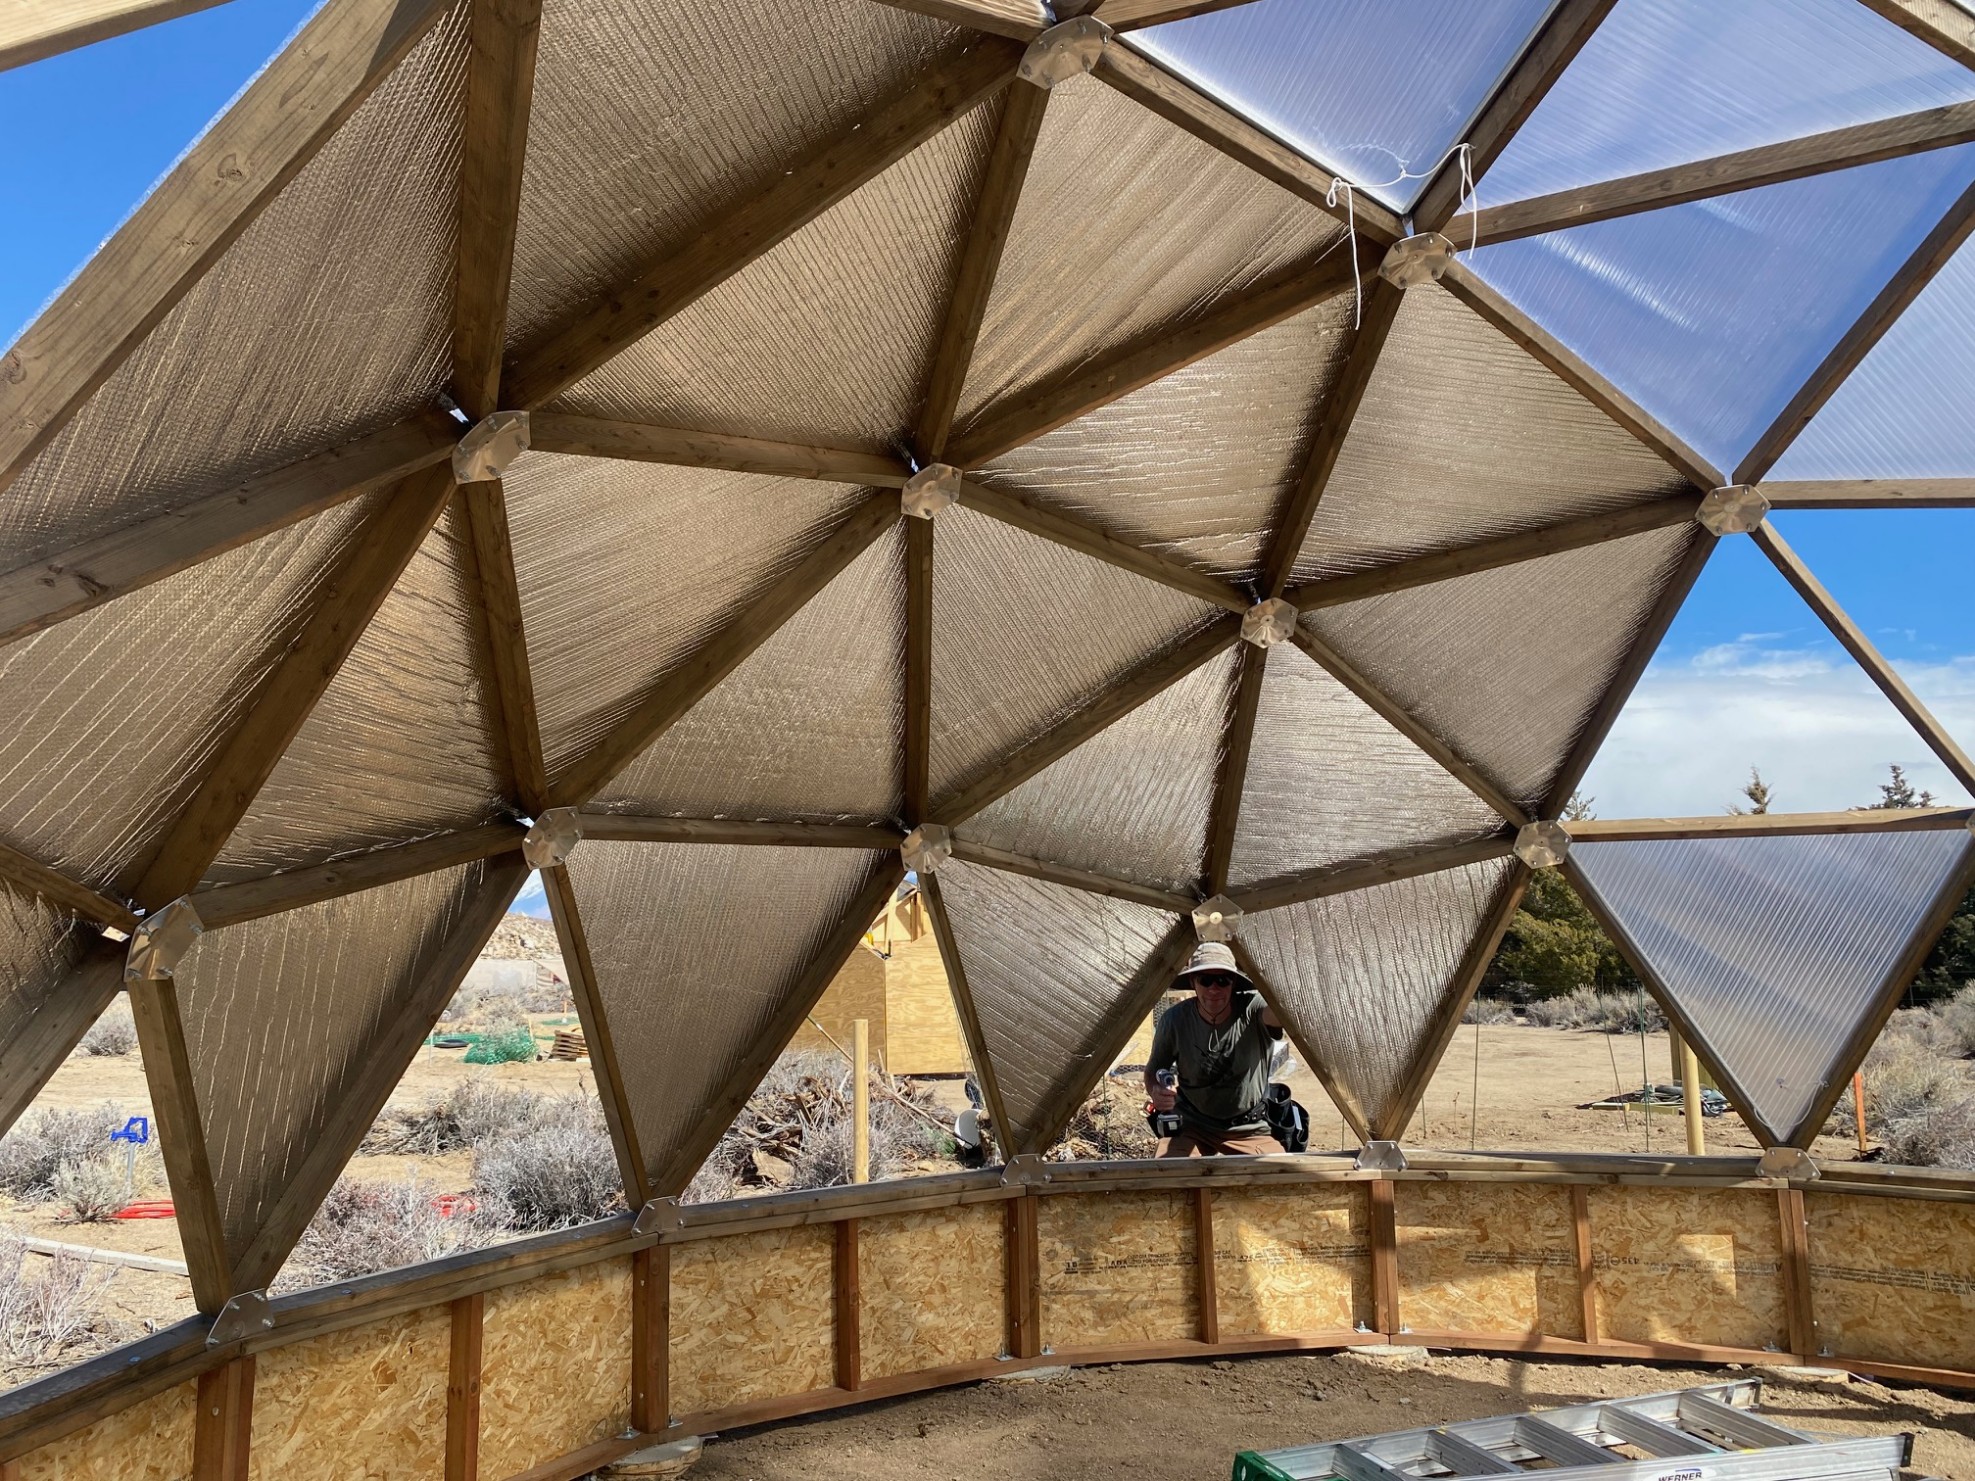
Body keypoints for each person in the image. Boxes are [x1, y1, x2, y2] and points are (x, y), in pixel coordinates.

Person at [1143, 941, 1286, 1156]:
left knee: (1278, 1180)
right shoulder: (1174, 1020)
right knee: (1171, 1175)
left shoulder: (1253, 1009)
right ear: (1193, 982)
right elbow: (1154, 1070)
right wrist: (1156, 1091)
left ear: (1234, 982)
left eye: (1222, 980)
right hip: (1191, 1123)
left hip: (1246, 1128)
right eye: (1206, 980)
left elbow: (1282, 1011)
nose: (1214, 989)